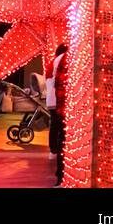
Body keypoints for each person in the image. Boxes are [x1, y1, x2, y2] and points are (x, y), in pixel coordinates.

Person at [47, 44, 67, 186]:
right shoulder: (63, 60)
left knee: (54, 127)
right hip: (59, 102)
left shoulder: (53, 62)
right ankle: (54, 151)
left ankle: (52, 150)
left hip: (53, 100)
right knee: (59, 131)